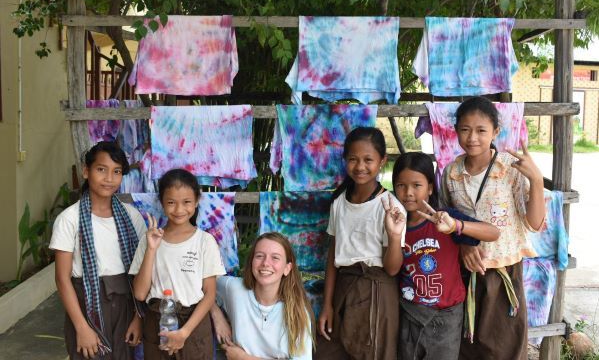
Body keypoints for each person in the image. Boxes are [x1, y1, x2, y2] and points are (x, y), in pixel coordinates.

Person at [439, 97, 545, 359]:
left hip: (504, 272)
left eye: (481, 130)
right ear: (455, 131)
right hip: (466, 273)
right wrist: (463, 244)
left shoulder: (511, 169)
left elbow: (534, 223)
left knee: (505, 346)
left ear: (495, 132)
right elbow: (446, 221)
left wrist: (537, 180)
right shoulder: (450, 173)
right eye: (465, 129)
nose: (472, 137)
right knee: (469, 347)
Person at [390, 152, 499, 360]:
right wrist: (394, 234)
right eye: (401, 185)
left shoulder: (445, 219)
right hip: (410, 312)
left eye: (417, 185)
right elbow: (392, 268)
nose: (408, 193)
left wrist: (456, 226)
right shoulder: (395, 223)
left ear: (430, 187)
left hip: (447, 316)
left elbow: (493, 232)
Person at [315, 126, 406, 360]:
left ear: (382, 161)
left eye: (368, 160)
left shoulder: (390, 207)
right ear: (345, 160)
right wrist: (327, 305)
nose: (360, 167)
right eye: (353, 159)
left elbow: (393, 268)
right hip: (344, 287)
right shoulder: (339, 203)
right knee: (328, 351)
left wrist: (394, 236)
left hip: (375, 292)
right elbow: (333, 257)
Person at [50, 141, 146, 359]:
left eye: (117, 172)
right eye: (101, 169)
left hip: (126, 302)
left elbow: (143, 271)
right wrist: (82, 328)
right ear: (86, 171)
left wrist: (138, 318)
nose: (109, 178)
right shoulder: (69, 219)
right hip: (86, 303)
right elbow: (62, 280)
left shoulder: (132, 217)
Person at [129, 169, 226, 359]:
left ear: (197, 201)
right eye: (171, 202)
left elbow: (210, 294)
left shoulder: (205, 241)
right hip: (157, 324)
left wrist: (184, 332)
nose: (179, 210)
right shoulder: (149, 241)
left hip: (194, 325)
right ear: (162, 203)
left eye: (187, 202)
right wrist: (151, 249)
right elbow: (140, 294)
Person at [210, 232, 314, 359]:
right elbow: (200, 282)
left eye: (275, 258)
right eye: (259, 256)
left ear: (287, 268)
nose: (265, 263)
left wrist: (243, 358)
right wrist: (216, 314)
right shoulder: (234, 289)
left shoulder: (297, 311)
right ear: (251, 262)